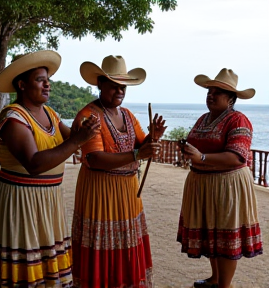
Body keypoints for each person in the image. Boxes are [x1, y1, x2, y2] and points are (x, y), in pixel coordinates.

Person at [0, 50, 100, 288]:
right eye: (40, 80)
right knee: (25, 260)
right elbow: (34, 163)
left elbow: (75, 139)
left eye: (48, 80)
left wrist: (88, 129)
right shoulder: (13, 118)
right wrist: (77, 141)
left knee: (46, 259)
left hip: (48, 197)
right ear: (22, 85)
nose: (47, 84)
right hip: (21, 198)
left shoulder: (50, 114)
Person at [71, 55, 167, 288]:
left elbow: (141, 144)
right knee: (103, 245)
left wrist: (153, 137)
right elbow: (95, 159)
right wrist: (136, 155)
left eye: (123, 86)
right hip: (100, 192)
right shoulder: (89, 116)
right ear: (100, 84)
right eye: (114, 85)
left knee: (125, 242)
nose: (120, 90)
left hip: (127, 191)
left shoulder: (126, 115)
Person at [176, 68, 263, 288]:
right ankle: (215, 279)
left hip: (227, 185)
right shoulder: (204, 118)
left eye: (218, 92)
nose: (211, 95)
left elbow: (237, 157)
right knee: (210, 235)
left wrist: (202, 156)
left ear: (231, 99)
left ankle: (225, 284)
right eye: (209, 91)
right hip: (203, 184)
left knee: (224, 237)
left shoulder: (238, 120)